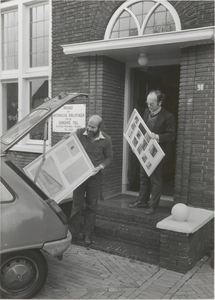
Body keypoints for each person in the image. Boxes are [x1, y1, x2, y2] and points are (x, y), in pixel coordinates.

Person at [68, 115, 113, 245]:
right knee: (76, 205)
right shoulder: (79, 133)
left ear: (100, 127)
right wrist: (66, 139)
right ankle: (74, 233)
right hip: (79, 176)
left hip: (95, 177)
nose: (89, 128)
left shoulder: (107, 140)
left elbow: (109, 158)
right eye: (88, 125)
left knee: (91, 206)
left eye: (92, 127)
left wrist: (100, 167)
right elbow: (68, 143)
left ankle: (87, 234)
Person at [129, 90, 175, 215]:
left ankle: (153, 205)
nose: (149, 106)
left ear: (160, 103)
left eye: (152, 104)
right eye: (147, 103)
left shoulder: (168, 116)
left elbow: (171, 136)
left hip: (156, 153)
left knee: (155, 181)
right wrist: (136, 144)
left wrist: (157, 136)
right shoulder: (146, 112)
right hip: (144, 150)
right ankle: (142, 200)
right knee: (143, 177)